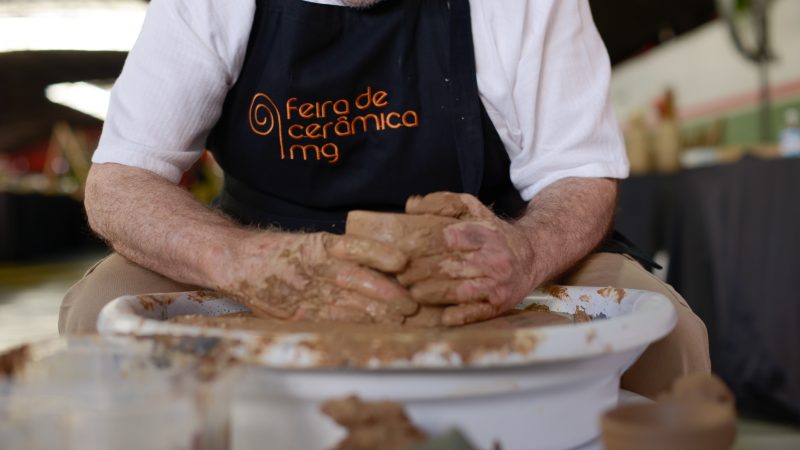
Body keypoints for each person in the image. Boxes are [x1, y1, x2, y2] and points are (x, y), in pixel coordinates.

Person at [59, 0, 709, 397]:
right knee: (97, 313)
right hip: (265, 249)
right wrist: (240, 260)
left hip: (484, 248)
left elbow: (580, 170)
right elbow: (118, 181)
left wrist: (528, 252)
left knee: (668, 339)